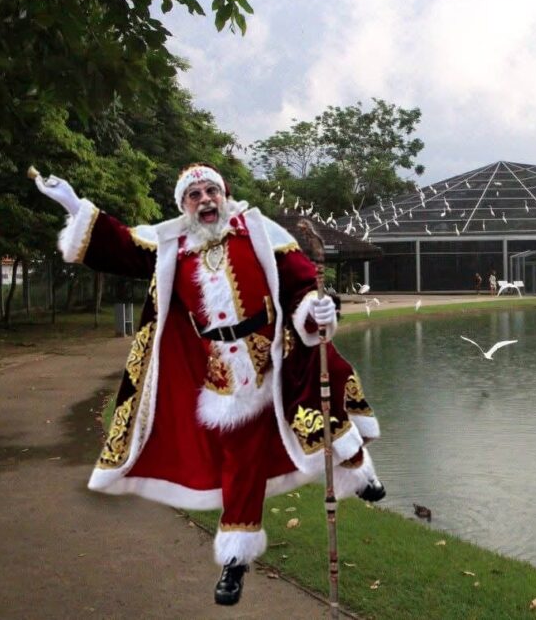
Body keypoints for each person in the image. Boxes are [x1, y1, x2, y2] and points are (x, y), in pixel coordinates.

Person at [34, 163, 384, 606]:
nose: (204, 200)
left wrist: (316, 309)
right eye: (194, 194)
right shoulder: (170, 244)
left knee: (319, 414)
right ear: (183, 205)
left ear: (224, 194)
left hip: (279, 355)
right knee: (240, 465)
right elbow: (120, 244)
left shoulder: (261, 231)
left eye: (210, 191)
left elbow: (300, 283)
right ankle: (236, 559)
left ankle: (360, 473)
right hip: (226, 378)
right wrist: (73, 205)